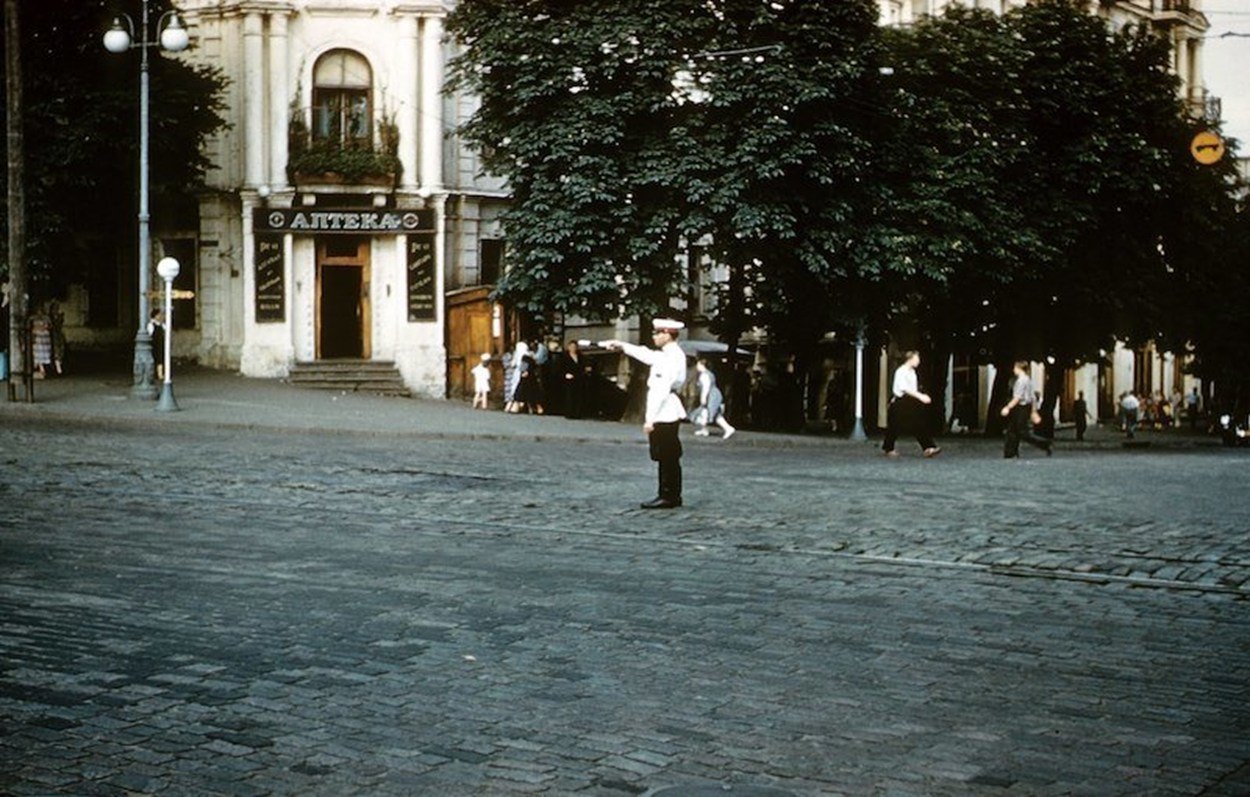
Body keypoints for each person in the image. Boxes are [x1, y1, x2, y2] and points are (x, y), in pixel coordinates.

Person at [603, 318, 688, 509]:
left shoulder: (670, 357)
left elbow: (660, 391)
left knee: (665, 455)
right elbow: (646, 354)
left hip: (664, 411)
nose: (654, 336)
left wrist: (649, 420)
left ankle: (668, 495)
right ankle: (671, 494)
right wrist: (622, 345)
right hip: (668, 410)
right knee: (669, 455)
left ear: (667, 334)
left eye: (658, 333)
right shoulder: (670, 354)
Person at [882, 350, 940, 458]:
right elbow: (904, 388)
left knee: (919, 424)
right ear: (910, 359)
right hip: (901, 401)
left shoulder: (912, 372)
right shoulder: (901, 371)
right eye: (917, 359)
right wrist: (921, 396)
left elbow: (913, 389)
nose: (918, 361)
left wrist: (918, 397)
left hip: (910, 401)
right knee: (895, 426)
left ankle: (928, 447)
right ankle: (888, 448)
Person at [1001, 360, 1052, 458]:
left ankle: (1044, 443)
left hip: (1020, 408)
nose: (1013, 370)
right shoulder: (1028, 380)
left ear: (1019, 369)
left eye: (1015, 368)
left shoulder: (1021, 381)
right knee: (1012, 430)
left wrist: (1007, 407)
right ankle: (1010, 452)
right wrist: (1033, 411)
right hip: (1025, 407)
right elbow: (1032, 397)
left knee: (1022, 432)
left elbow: (1017, 397)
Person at [690, 358, 736, 439]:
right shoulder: (709, 374)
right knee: (711, 413)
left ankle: (728, 428)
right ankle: (704, 429)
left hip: (711, 396)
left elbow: (706, 388)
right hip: (714, 394)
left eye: (698, 365)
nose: (697, 366)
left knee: (708, 412)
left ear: (702, 365)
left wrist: (703, 398)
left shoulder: (704, 375)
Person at [559, 340, 594, 419]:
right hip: (569, 378)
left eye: (574, 347)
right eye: (571, 347)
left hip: (578, 378)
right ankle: (569, 413)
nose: (573, 348)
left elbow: (583, 365)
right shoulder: (564, 357)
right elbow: (560, 368)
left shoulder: (580, 356)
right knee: (570, 396)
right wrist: (565, 374)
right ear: (568, 347)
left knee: (578, 396)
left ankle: (577, 413)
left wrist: (586, 369)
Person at [30, 306, 53, 379]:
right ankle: (41, 369)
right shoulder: (32, 318)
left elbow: (48, 326)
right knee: (37, 353)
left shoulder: (46, 318)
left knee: (44, 353)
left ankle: (42, 369)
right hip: (37, 338)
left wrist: (38, 328)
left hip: (44, 338)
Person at [147, 309, 166, 381]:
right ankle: (154, 374)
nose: (160, 316)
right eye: (158, 315)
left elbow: (166, 330)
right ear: (155, 316)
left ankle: (160, 374)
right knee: (155, 358)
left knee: (160, 358)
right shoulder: (151, 325)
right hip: (155, 344)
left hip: (160, 344)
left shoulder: (161, 324)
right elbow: (150, 334)